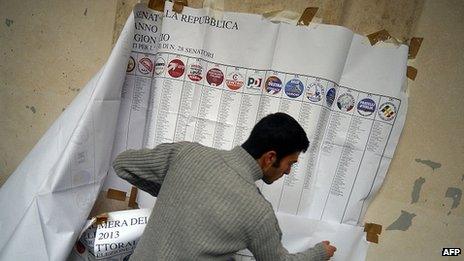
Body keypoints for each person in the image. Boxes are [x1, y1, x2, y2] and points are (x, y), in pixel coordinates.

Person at [113, 112, 337, 260]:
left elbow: (122, 164)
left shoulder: (186, 153)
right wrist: (320, 253)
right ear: (270, 158)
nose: (288, 171)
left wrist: (174, 192)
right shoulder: (257, 212)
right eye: (290, 163)